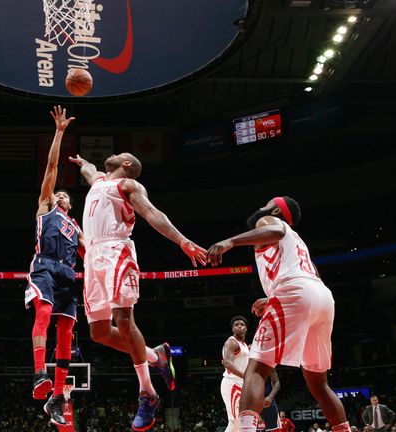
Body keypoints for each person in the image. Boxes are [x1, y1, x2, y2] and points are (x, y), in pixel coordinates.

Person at [70, 152, 207, 431]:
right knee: (99, 333)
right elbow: (89, 170)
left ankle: (148, 393)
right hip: (92, 257)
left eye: (120, 154)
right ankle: (157, 356)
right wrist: (82, 162)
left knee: (123, 318)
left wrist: (182, 241)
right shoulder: (99, 180)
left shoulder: (128, 186)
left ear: (127, 165)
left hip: (116, 250)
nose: (115, 154)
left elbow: (152, 213)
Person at [206, 196, 352, 432]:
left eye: (266, 204)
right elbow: (312, 274)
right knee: (319, 384)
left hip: (294, 292)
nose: (261, 207)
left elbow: (274, 230)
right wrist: (275, 296)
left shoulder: (270, 220)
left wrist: (230, 241)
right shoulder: (298, 242)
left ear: (275, 210)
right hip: (322, 297)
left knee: (256, 370)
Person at [24, 106, 83, 426]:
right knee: (43, 313)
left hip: (68, 273)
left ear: (70, 204)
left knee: (66, 332)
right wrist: (60, 132)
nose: (60, 193)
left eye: (64, 194)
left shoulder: (77, 228)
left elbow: (94, 256)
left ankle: (56, 397)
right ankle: (37, 375)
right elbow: (51, 165)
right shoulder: (46, 206)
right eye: (58, 191)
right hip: (45, 264)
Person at [221, 316, 250, 432]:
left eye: (242, 324)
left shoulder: (243, 345)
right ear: (233, 329)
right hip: (232, 384)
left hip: (240, 383)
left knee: (236, 423)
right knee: (236, 421)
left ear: (246, 329)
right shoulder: (232, 342)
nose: (239, 326)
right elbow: (227, 363)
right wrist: (246, 376)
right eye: (236, 325)